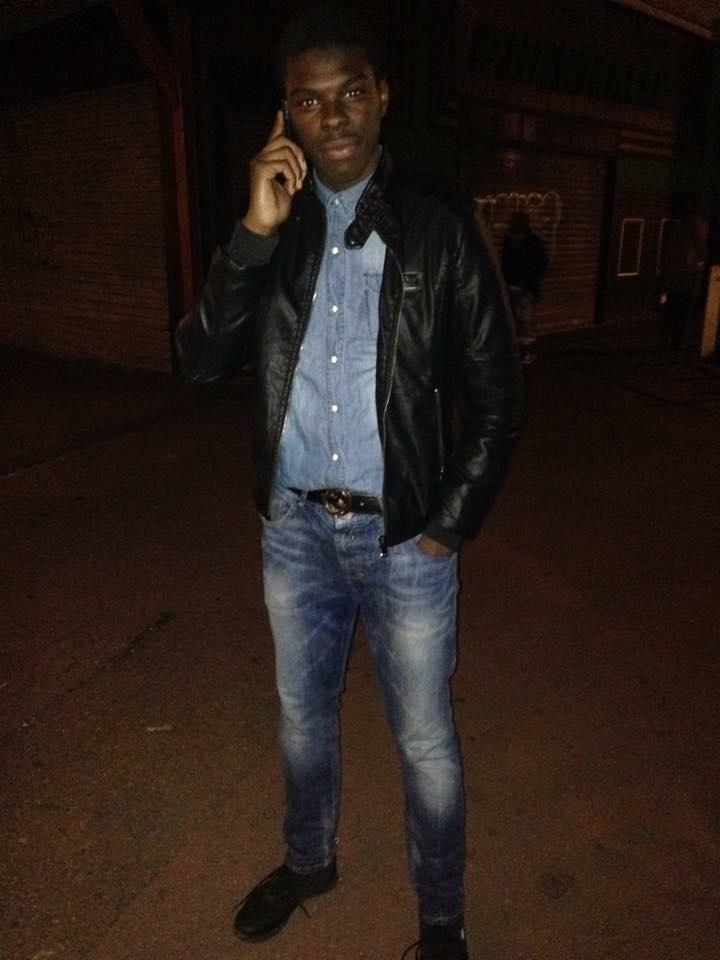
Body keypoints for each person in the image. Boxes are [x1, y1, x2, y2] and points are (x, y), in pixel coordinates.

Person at [176, 5, 523, 958]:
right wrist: (251, 233)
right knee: (302, 716)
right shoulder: (272, 227)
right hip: (294, 529)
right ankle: (308, 861)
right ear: (286, 113)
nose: (332, 116)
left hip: (405, 536)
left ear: (383, 98)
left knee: (425, 741)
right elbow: (201, 363)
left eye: (351, 93)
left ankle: (441, 919)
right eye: (309, 100)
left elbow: (498, 396)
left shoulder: (440, 224)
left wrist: (446, 525)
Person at [501, 211, 548, 364]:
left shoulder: (518, 242)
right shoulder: (525, 241)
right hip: (518, 287)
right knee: (521, 322)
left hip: (521, 288)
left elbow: (540, 264)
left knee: (523, 322)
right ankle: (522, 352)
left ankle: (524, 352)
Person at [659, 214, 708, 350]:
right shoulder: (695, 245)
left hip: (675, 285)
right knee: (682, 315)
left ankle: (671, 338)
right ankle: (677, 341)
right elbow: (696, 265)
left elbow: (668, 264)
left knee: (674, 312)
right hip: (685, 286)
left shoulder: (676, 242)